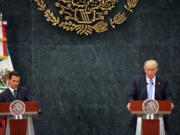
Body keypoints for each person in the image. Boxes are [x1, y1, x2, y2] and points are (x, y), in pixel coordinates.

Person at [127, 59, 174, 133]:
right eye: (148, 70)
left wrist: (169, 102)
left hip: (159, 115)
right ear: (144, 69)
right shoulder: (137, 81)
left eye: (152, 70)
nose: (150, 72)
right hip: (140, 115)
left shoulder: (163, 81)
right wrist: (130, 102)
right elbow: (131, 95)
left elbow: (168, 95)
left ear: (156, 70)